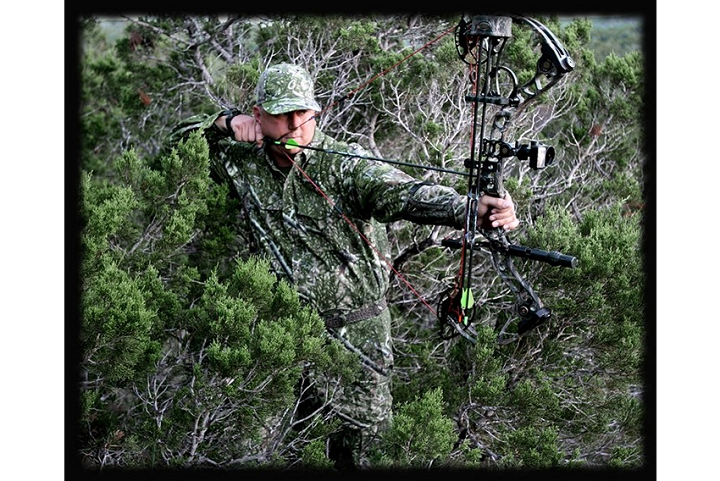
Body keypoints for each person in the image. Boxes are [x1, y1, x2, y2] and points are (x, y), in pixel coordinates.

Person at [167, 63, 519, 468]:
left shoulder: (346, 166)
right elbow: (177, 145)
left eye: (303, 113)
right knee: (243, 450)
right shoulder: (241, 160)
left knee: (364, 455)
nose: (295, 125)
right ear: (259, 114)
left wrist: (471, 208)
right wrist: (225, 121)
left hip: (356, 338)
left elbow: (404, 192)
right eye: (282, 114)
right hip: (276, 334)